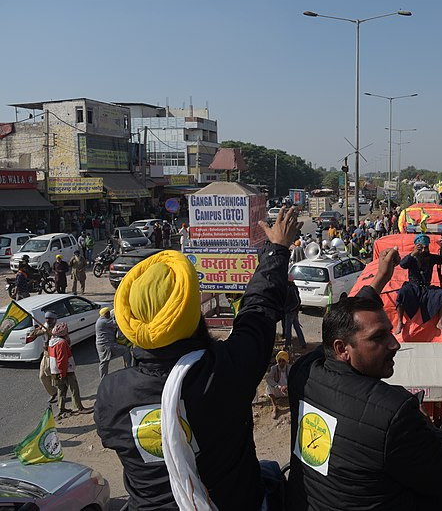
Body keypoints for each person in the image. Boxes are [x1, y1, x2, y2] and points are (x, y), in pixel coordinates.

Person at [94, 207, 301, 510]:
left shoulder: (111, 395)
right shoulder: (227, 369)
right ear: (191, 312)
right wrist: (277, 251)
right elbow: (257, 312)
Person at [286, 246, 442, 511]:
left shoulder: (303, 373)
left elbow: (342, 321)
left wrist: (380, 278)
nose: (395, 344)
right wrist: (431, 427)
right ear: (341, 349)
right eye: (378, 337)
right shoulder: (394, 411)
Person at [395, 234, 442, 336]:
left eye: (426, 247)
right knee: (402, 293)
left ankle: (440, 322)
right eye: (422, 248)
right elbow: (403, 264)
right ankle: (400, 321)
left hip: (426, 288)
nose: (424, 250)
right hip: (413, 286)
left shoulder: (430, 258)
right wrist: (413, 253)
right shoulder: (412, 258)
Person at [49, 322, 92, 419]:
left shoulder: (51, 341)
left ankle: (61, 408)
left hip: (54, 371)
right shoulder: (61, 343)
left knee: (61, 390)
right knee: (74, 389)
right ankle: (79, 407)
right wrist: (63, 373)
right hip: (65, 371)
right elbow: (62, 360)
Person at [27, 311, 59, 403]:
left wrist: (51, 333)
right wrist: (38, 330)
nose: (48, 320)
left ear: (54, 319)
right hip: (46, 355)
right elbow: (33, 335)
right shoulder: (44, 326)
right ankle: (54, 393)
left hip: (55, 355)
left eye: (50, 319)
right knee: (43, 376)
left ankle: (61, 396)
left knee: (55, 377)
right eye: (47, 319)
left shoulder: (58, 327)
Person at [95, 307, 132, 380]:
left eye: (109, 313)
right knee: (125, 350)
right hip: (106, 345)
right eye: (107, 314)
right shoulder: (103, 322)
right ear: (103, 315)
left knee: (104, 362)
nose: (108, 314)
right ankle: (128, 369)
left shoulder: (103, 320)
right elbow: (118, 323)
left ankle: (103, 378)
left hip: (105, 344)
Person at [265, 350, 291, 419]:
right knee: (269, 387)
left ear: (286, 361)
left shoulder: (289, 367)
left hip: (287, 390)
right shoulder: (274, 368)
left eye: (283, 361)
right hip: (278, 389)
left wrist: (287, 386)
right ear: (277, 361)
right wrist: (279, 386)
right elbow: (269, 379)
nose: (281, 363)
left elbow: (294, 379)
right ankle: (274, 406)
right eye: (280, 361)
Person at [283, 276, 307, 350]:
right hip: (292, 311)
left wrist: (290, 309)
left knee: (288, 329)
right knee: (296, 327)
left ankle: (287, 345)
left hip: (291, 312)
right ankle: (302, 343)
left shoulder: (292, 288)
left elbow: (297, 301)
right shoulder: (290, 287)